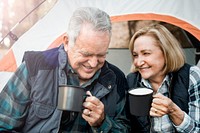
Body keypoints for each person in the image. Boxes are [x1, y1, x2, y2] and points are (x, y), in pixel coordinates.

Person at [0, 7, 130, 132]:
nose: (93, 63)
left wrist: (102, 123)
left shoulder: (115, 78)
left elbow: (126, 129)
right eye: (86, 54)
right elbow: (3, 124)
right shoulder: (35, 66)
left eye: (101, 55)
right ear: (67, 42)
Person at [127, 24, 200, 132]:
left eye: (146, 53)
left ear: (166, 52)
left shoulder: (191, 76)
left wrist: (174, 112)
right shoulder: (131, 81)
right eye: (135, 55)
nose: (138, 62)